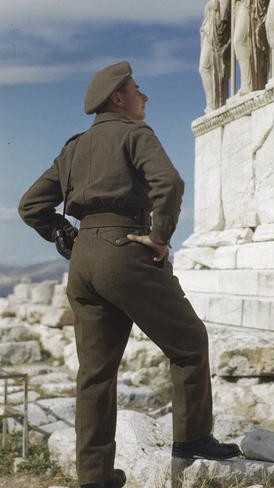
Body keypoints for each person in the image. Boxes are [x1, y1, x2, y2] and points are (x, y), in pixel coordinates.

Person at [19, 62, 239, 488]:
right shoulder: (134, 133)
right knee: (190, 342)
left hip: (84, 261)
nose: (146, 96)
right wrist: (160, 237)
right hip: (127, 249)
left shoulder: (73, 149)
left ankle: (94, 477)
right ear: (118, 98)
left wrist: (65, 235)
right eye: (138, 90)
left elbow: (30, 205)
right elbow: (170, 184)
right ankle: (192, 438)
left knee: (95, 373)